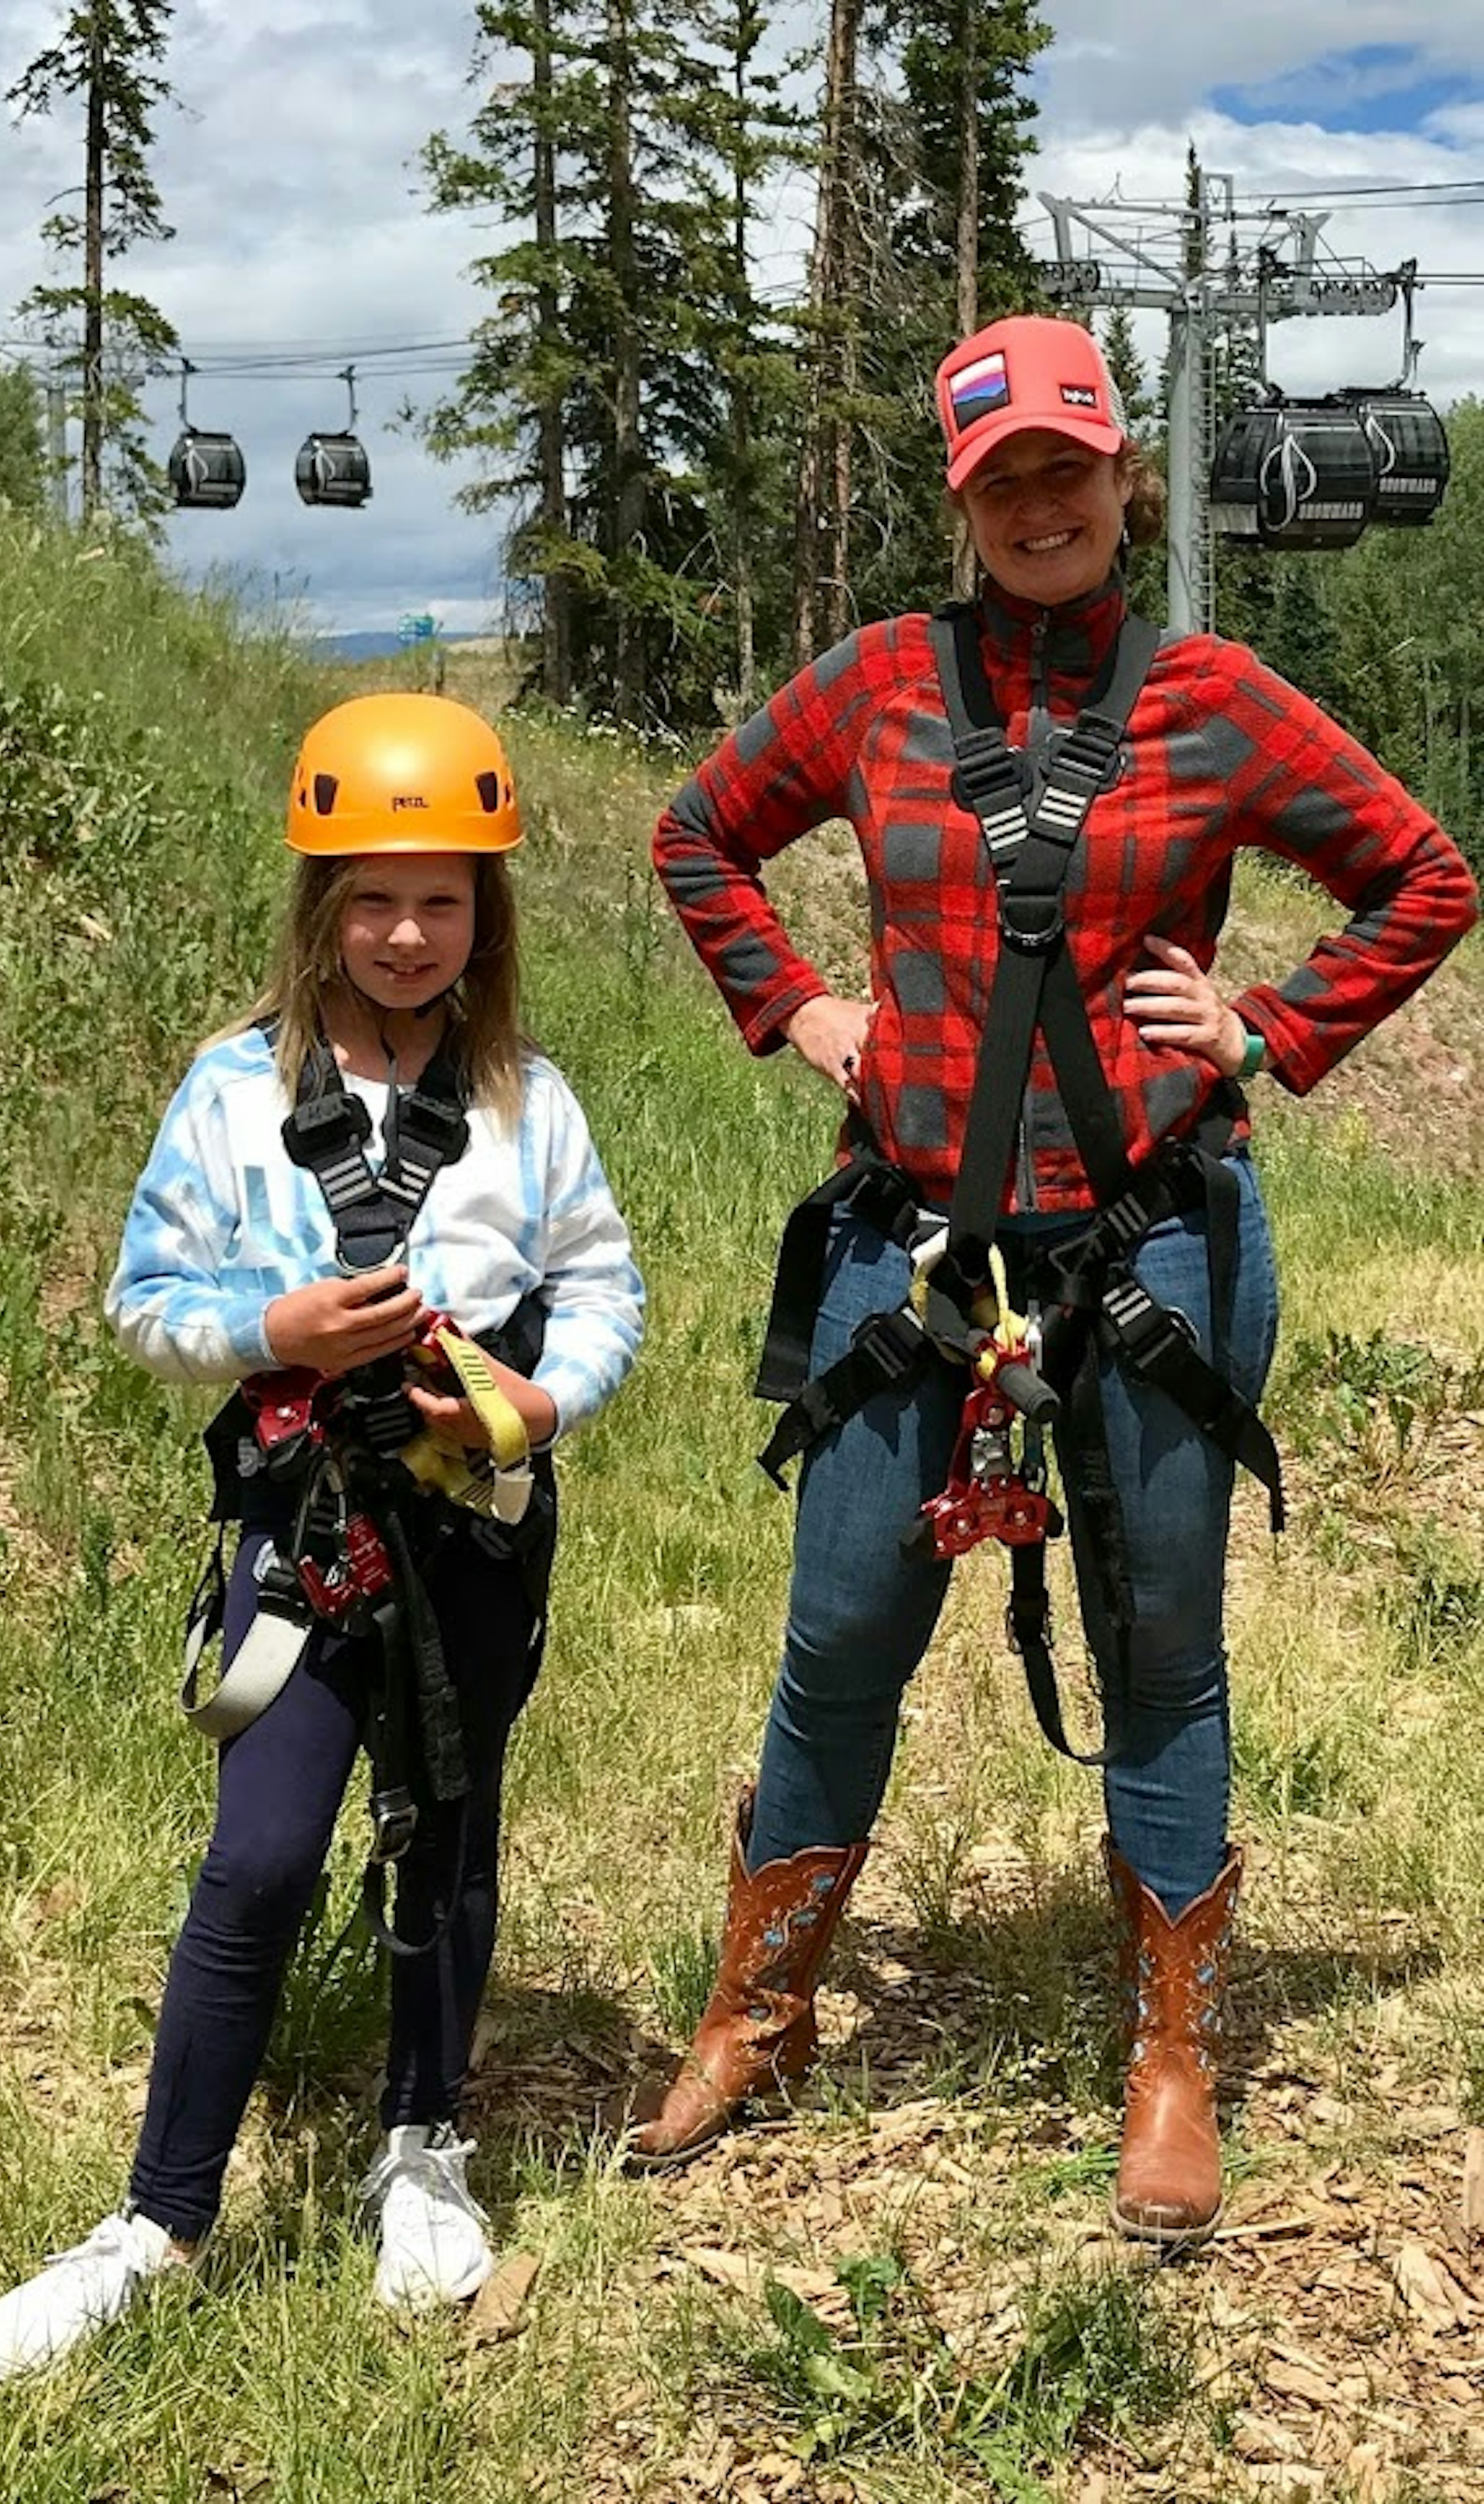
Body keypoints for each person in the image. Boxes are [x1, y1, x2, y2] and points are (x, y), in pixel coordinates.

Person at [633, 314, 1478, 2242]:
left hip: (1151, 1237)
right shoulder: (872, 689)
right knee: (844, 1630)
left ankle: (1173, 2060)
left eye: (1067, 472)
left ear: (1123, 482)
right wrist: (798, 1008)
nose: (1038, 507)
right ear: (965, 501)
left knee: (1163, 1647)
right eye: (1001, 479)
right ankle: (760, 2011)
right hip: (908, 1237)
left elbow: (1426, 880)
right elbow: (699, 836)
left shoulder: (1217, 700)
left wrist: (1268, 1023)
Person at [0, 692, 643, 2378]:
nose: (409, 934)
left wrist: (539, 1407)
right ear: (318, 905)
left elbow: (606, 1287)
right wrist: (282, 1329)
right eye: (372, 897)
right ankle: (157, 2216)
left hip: (473, 1526)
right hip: (306, 1524)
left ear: (488, 916)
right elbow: (143, 1305)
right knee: (260, 1854)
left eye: (445, 899)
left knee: (449, 1832)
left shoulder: (526, 1103)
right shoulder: (230, 1093)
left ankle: (425, 2142)